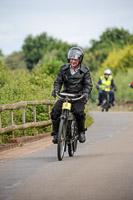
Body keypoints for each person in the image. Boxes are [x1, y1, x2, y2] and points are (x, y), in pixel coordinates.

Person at [51, 47, 93, 144]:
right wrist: (56, 90)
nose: (73, 61)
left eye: (75, 59)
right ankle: (56, 133)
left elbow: (88, 85)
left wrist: (85, 94)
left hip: (78, 97)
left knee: (79, 113)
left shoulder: (85, 71)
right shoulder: (63, 69)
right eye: (71, 59)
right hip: (65, 96)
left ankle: (81, 132)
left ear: (79, 60)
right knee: (55, 111)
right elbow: (58, 81)